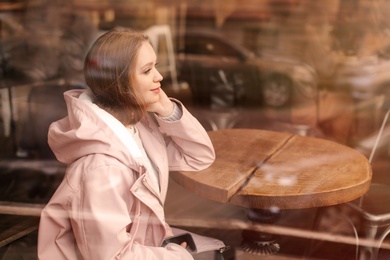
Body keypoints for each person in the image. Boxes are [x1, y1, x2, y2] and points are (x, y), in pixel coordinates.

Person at [37, 28, 218, 259]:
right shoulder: (102, 170)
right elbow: (111, 256)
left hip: (146, 245)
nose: (159, 76)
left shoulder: (137, 126)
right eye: (147, 70)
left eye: (155, 66)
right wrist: (176, 256)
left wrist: (167, 110)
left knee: (217, 248)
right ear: (119, 82)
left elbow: (198, 156)